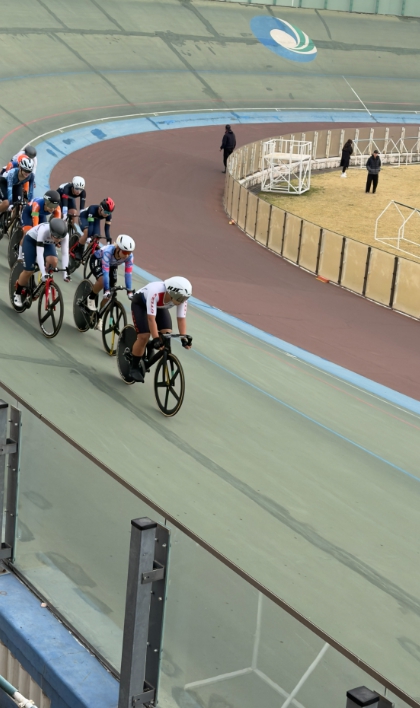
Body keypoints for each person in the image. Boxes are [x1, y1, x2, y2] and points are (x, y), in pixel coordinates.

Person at [129, 277, 193, 383]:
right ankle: (134, 366)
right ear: (171, 293)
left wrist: (183, 338)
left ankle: (149, 345)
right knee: (144, 336)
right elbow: (151, 319)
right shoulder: (156, 292)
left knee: (167, 334)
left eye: (185, 298)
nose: (182, 301)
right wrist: (155, 338)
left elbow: (181, 319)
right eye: (180, 298)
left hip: (159, 307)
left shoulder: (181, 298)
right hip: (140, 305)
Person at [13, 218, 70, 308]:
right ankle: (17, 293)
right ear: (51, 232)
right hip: (31, 240)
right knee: (28, 271)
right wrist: (43, 273)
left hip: (48, 242)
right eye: (57, 237)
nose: (59, 240)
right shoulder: (43, 230)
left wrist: (65, 274)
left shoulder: (65, 235)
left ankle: (43, 284)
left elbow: (65, 253)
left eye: (60, 238)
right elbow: (39, 253)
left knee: (53, 261)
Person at [86, 234, 135, 331]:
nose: (127, 255)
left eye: (129, 252)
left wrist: (129, 291)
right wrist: (106, 290)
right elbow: (105, 272)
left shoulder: (129, 257)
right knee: (103, 281)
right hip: (98, 261)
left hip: (112, 265)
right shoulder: (108, 251)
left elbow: (128, 274)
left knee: (111, 292)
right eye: (125, 252)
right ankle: (91, 297)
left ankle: (99, 317)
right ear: (118, 248)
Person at [18, 189, 62, 261]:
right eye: (51, 206)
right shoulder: (37, 204)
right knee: (27, 233)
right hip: (29, 214)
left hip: (41, 215)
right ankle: (20, 256)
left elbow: (57, 226)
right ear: (45, 203)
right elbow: (35, 227)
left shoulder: (57, 209)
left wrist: (56, 238)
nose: (52, 209)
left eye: (55, 206)